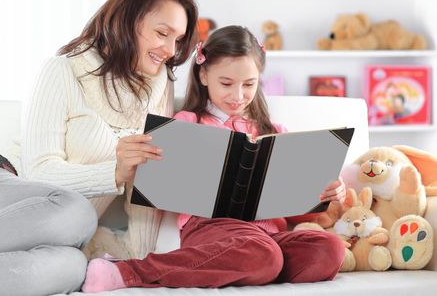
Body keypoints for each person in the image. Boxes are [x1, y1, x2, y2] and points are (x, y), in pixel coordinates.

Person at [0, 0, 198, 295]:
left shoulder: (159, 90)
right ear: (128, 20)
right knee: (77, 213)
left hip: (62, 238)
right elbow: (39, 172)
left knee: (73, 268)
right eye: (162, 33)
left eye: (178, 40)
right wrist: (115, 171)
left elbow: (147, 193)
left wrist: (139, 261)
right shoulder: (62, 70)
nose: (170, 49)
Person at [82, 26, 347, 293]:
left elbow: (296, 205)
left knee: (329, 249)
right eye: (227, 83)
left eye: (249, 84)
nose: (238, 95)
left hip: (269, 235)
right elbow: (159, 186)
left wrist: (325, 192)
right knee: (263, 254)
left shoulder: (275, 132)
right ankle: (127, 271)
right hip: (211, 228)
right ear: (204, 75)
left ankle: (254, 267)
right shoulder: (188, 123)